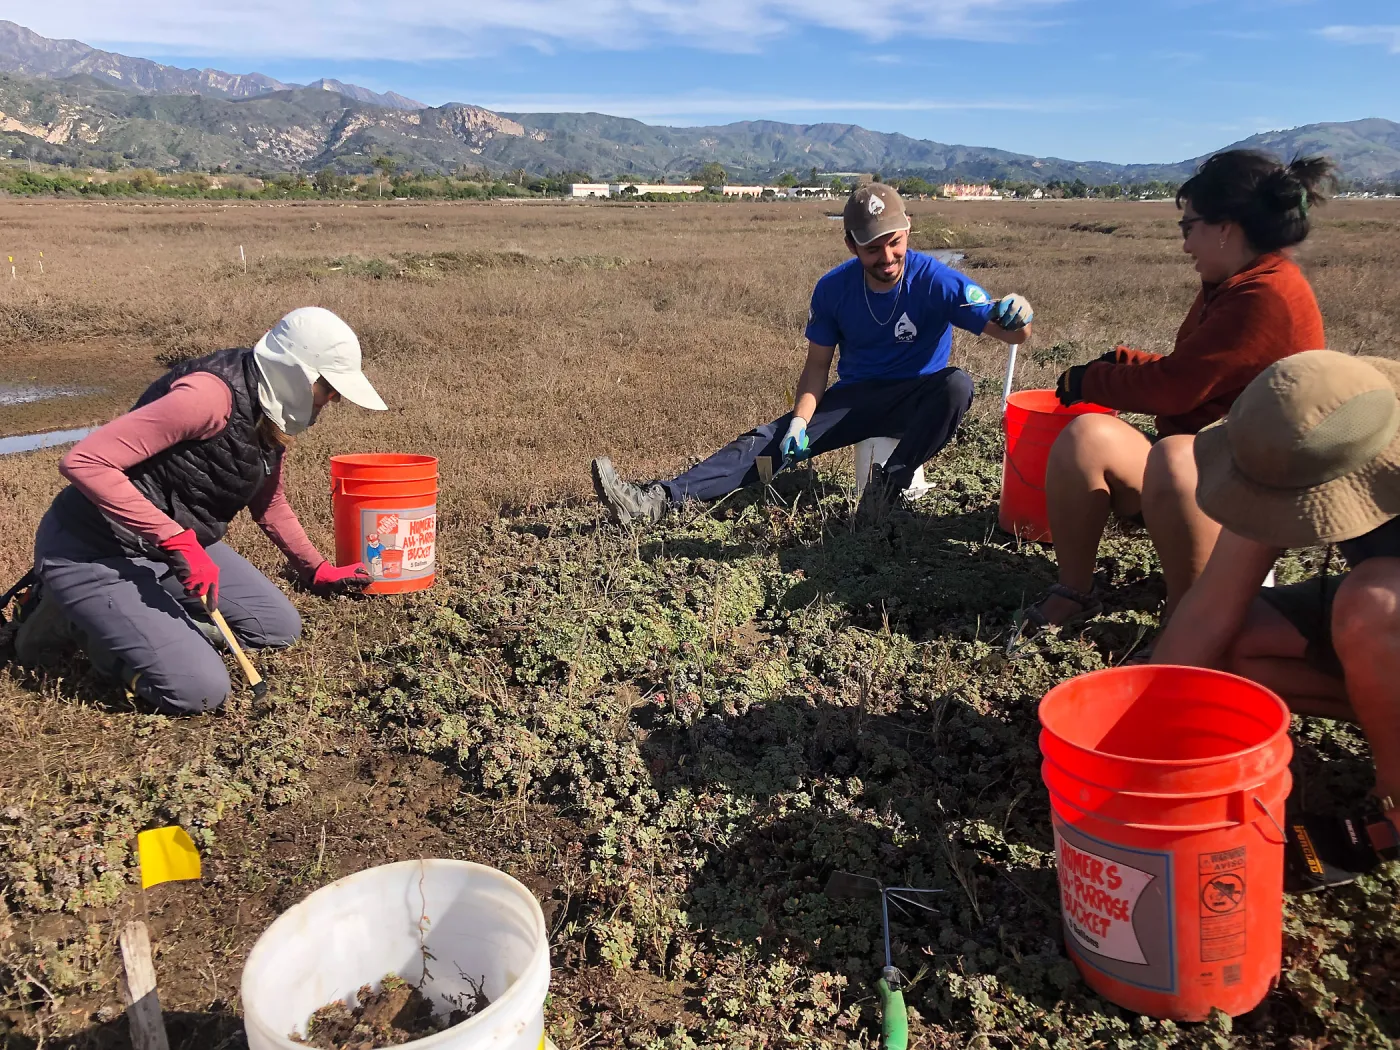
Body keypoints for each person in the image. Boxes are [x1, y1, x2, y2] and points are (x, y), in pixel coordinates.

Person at [13, 306, 387, 715]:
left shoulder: (269, 410)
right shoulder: (208, 398)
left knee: (277, 628)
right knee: (199, 690)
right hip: (94, 550)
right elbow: (84, 462)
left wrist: (314, 568)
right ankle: (66, 617)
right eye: (329, 390)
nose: (331, 401)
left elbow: (270, 502)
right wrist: (177, 541)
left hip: (167, 550)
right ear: (299, 374)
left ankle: (145, 621)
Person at [590, 183, 1034, 524]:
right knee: (766, 444)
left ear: (908, 229)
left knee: (957, 384)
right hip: (855, 400)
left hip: (919, 399)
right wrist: (799, 423)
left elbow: (1012, 334)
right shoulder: (833, 289)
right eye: (872, 247)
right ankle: (656, 501)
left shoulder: (937, 279)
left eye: (894, 241)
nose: (887, 256)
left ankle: (888, 486)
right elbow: (817, 368)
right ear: (851, 245)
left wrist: (1019, 315)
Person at [1026, 151, 1334, 633]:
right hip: (1211, 467)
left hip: (1253, 494)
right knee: (1086, 435)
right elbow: (1192, 368)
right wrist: (1118, 362)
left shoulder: (1265, 296)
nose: (1186, 244)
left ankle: (1192, 622)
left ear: (1225, 228)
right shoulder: (1232, 281)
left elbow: (1175, 391)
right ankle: (1074, 589)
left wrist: (1092, 379)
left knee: (1172, 457)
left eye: (1188, 227)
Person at [1154, 350, 1400, 890]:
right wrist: (1142, 725)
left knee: (1376, 602)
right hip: (1377, 622)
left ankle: (1395, 808)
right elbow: (1211, 609)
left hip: (1381, 610)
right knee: (1236, 647)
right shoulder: (1302, 442)